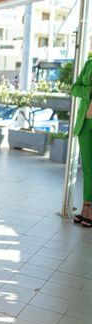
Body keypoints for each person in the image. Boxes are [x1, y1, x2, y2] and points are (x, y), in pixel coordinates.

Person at [72, 57, 92, 227]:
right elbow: (74, 88)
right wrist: (89, 91)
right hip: (85, 124)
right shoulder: (89, 63)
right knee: (87, 168)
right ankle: (87, 208)